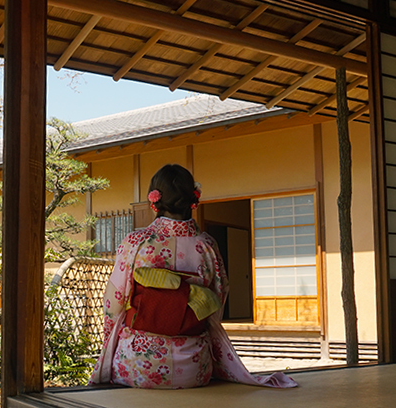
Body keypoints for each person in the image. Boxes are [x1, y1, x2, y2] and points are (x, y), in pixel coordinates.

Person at [89, 164, 297, 389]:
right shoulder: (206, 246)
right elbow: (217, 301)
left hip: (137, 365)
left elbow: (113, 303)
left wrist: (110, 338)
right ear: (192, 199)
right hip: (194, 369)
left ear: (155, 200)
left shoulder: (136, 242)